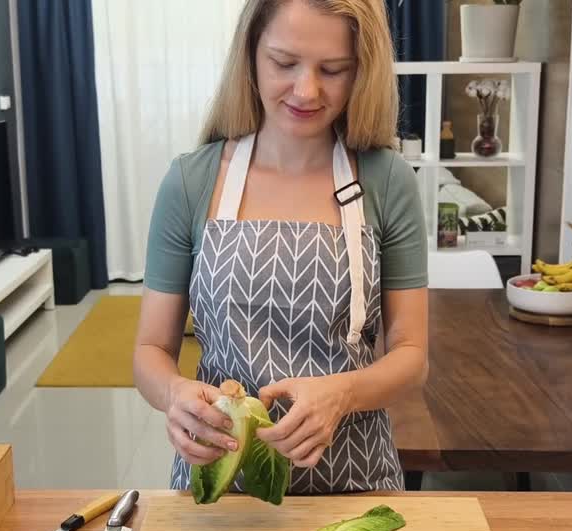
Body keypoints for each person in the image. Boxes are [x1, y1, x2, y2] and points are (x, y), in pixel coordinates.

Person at [133, 0, 429, 494]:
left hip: (353, 483)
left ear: (362, 71)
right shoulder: (191, 182)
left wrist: (343, 393)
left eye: (333, 70)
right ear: (250, 56)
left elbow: (412, 355)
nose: (306, 90)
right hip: (220, 487)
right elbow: (150, 350)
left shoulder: (386, 180)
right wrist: (175, 394)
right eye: (284, 63)